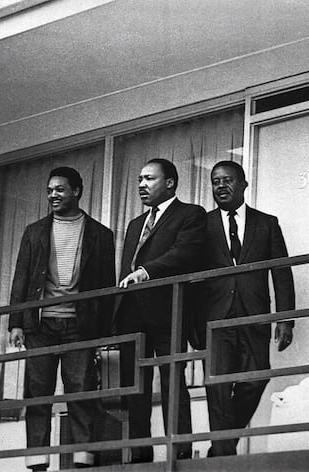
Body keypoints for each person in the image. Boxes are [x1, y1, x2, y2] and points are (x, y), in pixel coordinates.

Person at [8, 167, 115, 470]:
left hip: (81, 327)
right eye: (49, 190)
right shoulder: (34, 231)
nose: (53, 195)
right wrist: (16, 322)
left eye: (60, 190)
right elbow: (21, 279)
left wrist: (104, 332)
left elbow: (107, 286)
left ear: (77, 191)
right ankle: (37, 463)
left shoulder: (100, 234)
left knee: (81, 393)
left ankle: (83, 460)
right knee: (37, 394)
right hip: (41, 326)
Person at [197, 160, 295, 457]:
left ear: (243, 184)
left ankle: (221, 448)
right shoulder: (202, 225)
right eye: (215, 181)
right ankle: (223, 456)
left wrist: (285, 319)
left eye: (227, 180)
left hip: (255, 315)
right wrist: (192, 325)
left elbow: (281, 271)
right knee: (217, 387)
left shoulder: (267, 223)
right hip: (216, 319)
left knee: (256, 378)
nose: (221, 186)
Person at [114, 158, 206, 463]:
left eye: (149, 179)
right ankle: (139, 454)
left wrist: (145, 272)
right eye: (139, 179)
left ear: (169, 183)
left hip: (170, 311)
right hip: (132, 314)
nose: (141, 185)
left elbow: (183, 254)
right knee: (134, 387)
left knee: (172, 382)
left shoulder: (190, 214)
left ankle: (178, 453)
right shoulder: (134, 224)